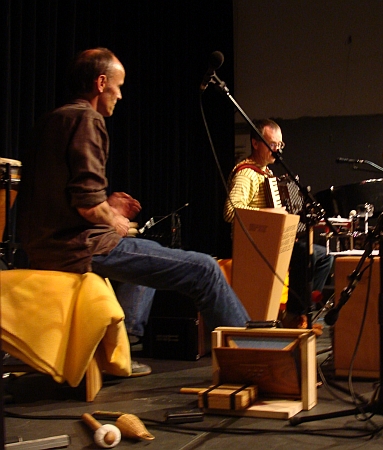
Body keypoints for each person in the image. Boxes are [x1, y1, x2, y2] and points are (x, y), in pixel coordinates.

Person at [16, 48, 250, 376]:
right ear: (101, 83)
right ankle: (256, 357)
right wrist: (113, 218)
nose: (120, 95)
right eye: (118, 85)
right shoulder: (88, 119)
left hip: (45, 247)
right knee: (205, 269)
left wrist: (107, 204)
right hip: (80, 248)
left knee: (149, 260)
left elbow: (62, 196)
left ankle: (119, 350)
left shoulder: (52, 120)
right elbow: (86, 205)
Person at [223, 119, 333, 329]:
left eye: (280, 145)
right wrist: (269, 213)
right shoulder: (246, 173)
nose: (277, 150)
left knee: (323, 256)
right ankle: (294, 314)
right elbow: (230, 212)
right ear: (255, 143)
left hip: (270, 241)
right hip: (253, 244)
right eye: (272, 144)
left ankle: (300, 311)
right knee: (305, 253)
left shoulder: (268, 173)